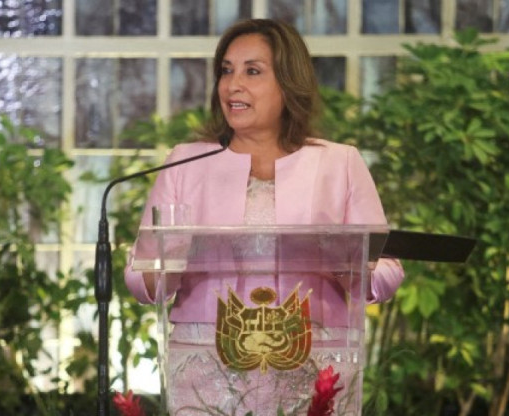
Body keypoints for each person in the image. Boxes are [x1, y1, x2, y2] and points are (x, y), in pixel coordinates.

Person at [125, 18, 404, 416]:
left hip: (314, 355)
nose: (232, 85)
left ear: (289, 84)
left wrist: (345, 263)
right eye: (226, 71)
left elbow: (388, 271)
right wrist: (171, 261)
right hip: (207, 360)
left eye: (252, 71)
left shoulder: (339, 163)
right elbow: (139, 277)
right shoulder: (185, 163)